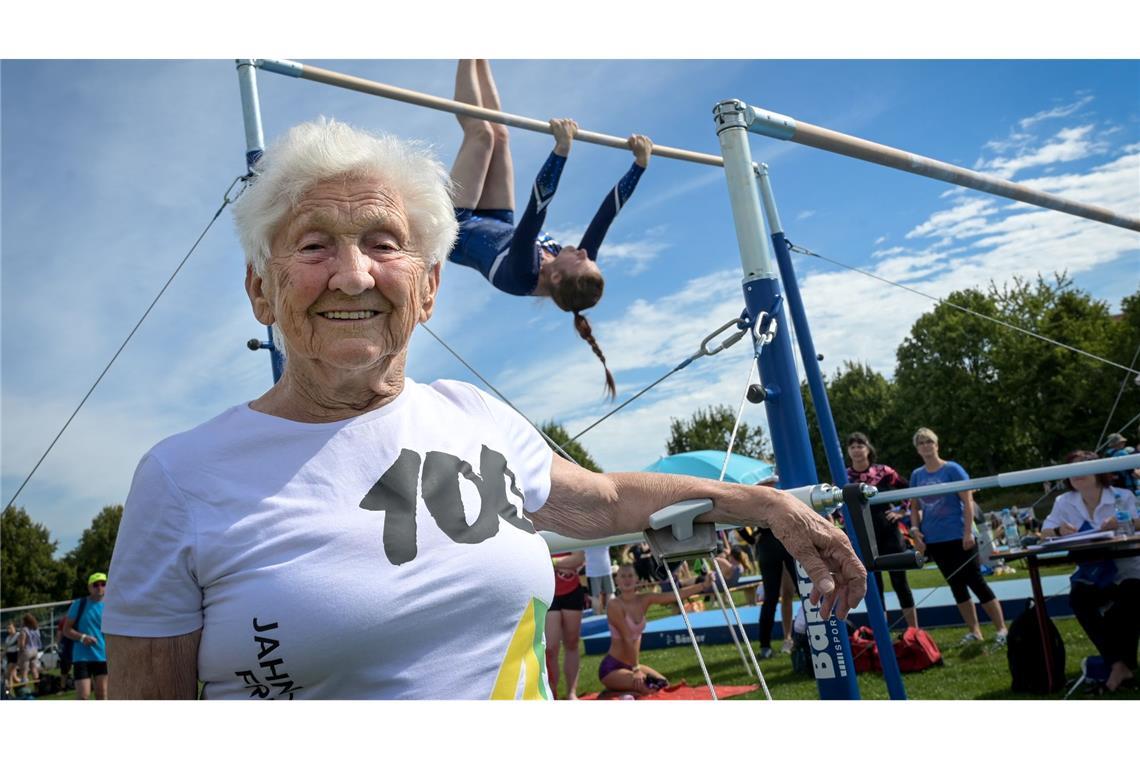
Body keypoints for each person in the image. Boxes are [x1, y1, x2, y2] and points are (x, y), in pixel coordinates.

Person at [102, 119, 866, 700]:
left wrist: (762, 502)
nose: (354, 273)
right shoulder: (183, 477)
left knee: (489, 125)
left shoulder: (472, 413)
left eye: (383, 243)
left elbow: (602, 500)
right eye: (312, 246)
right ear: (260, 290)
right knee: (489, 125)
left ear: (428, 289)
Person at [448, 59, 653, 398]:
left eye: (584, 258)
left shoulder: (522, 275)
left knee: (481, 134)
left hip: (457, 225)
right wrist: (639, 165)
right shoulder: (566, 265)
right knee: (500, 133)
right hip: (498, 222)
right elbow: (606, 215)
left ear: (556, 277)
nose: (585, 251)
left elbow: (535, 214)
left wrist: (561, 151)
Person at [1042, 450, 1140, 691]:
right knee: (1079, 599)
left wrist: (1125, 522)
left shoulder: (1122, 495)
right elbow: (1046, 530)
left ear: (1097, 470)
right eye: (1071, 470)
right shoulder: (1063, 502)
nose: (1076, 475)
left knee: (1128, 599)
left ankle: (1119, 667)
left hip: (1129, 568)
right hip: (1092, 573)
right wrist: (1059, 531)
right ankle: (1120, 665)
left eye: (1081, 468)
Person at [909, 428, 1008, 645]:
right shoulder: (917, 475)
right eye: (921, 443)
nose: (926, 446)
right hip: (935, 539)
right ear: (917, 448)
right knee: (956, 585)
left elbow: (968, 501)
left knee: (976, 581)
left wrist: (967, 532)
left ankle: (1001, 629)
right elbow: (914, 507)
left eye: (929, 442)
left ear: (937, 444)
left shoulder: (952, 469)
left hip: (958, 535)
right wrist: (915, 532)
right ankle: (975, 632)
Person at [598, 564, 712, 696]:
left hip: (632, 666)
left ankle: (621, 691)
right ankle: (617, 693)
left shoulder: (644, 599)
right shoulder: (614, 605)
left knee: (663, 684)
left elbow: (673, 596)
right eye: (622, 576)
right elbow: (627, 637)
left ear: (637, 579)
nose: (626, 580)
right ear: (616, 580)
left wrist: (703, 585)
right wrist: (636, 669)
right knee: (649, 690)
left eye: (630, 576)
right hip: (612, 668)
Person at [845, 431, 919, 629]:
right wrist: (845, 523)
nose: (856, 450)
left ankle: (914, 631)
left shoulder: (884, 471)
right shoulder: (844, 475)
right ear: (848, 452)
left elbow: (909, 489)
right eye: (852, 447)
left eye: (860, 445)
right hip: (864, 535)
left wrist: (901, 511)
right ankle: (882, 633)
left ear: (869, 449)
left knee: (900, 582)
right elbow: (838, 506)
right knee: (873, 587)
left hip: (889, 532)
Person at [61, 572, 109, 700]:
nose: (100, 587)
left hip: (103, 657)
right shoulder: (79, 604)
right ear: (89, 587)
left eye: (103, 584)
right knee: (83, 697)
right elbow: (66, 630)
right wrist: (83, 638)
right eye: (96, 584)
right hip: (82, 657)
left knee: (102, 695)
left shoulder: (110, 605)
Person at [546, 550, 586, 699]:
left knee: (572, 643)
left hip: (572, 591)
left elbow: (579, 558)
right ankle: (552, 695)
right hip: (548, 592)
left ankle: (571, 693)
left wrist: (553, 562)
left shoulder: (569, 526)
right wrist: (564, 562)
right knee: (550, 649)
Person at [584, 544, 616, 613]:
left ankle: (597, 616)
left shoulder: (585, 536)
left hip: (592, 570)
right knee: (610, 593)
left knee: (595, 597)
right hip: (606, 567)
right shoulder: (603, 533)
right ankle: (612, 615)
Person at [16, 614, 40, 687]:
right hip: (35, 650)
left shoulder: (24, 630)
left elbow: (22, 643)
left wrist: (20, 652)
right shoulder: (35, 629)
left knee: (24, 671)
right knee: (34, 669)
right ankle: (38, 687)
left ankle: (25, 688)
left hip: (27, 651)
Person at [4, 622, 19, 689]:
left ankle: (8, 691)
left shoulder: (18, 635)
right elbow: (6, 648)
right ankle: (23, 685)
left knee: (8, 673)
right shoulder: (7, 638)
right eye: (8, 628)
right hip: (9, 657)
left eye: (10, 628)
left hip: (15, 656)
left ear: (14, 628)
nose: (9, 629)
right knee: (14, 677)